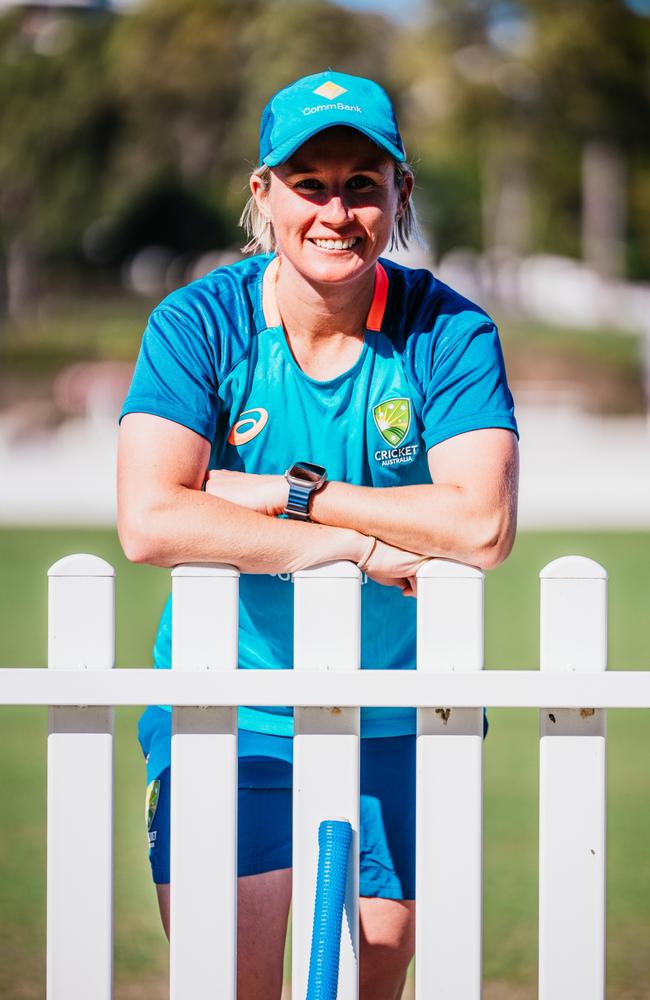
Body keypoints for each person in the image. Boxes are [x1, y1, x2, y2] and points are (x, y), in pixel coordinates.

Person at [117, 69, 519, 1000]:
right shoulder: (198, 322)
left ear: (400, 195)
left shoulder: (448, 333)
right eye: (310, 183)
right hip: (230, 713)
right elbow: (151, 517)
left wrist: (286, 498)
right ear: (263, 194)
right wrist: (362, 549)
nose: (336, 210)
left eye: (362, 184)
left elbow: (480, 523)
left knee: (375, 983)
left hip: (402, 719)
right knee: (234, 986)